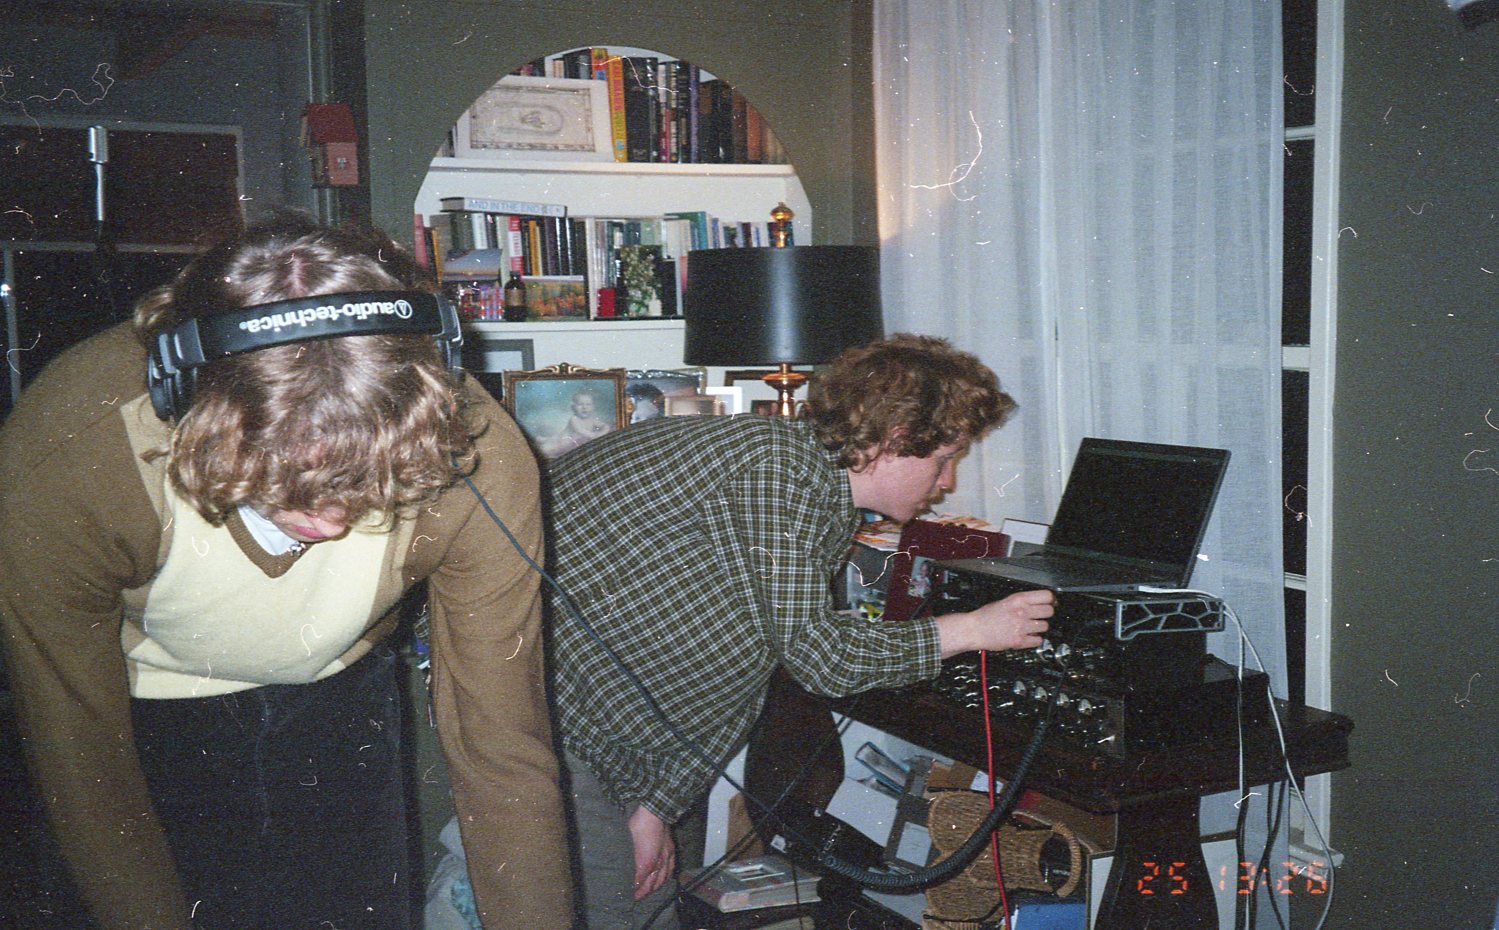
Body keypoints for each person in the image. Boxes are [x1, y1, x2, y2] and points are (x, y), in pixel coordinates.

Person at [0, 214, 572, 930]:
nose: (331, 524)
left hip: (342, 702)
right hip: (136, 719)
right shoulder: (66, 460)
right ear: (190, 408)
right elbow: (82, 765)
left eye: (365, 485)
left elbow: (503, 749)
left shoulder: (476, 455)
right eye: (287, 485)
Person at [544, 333, 1057, 929]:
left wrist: (658, 806)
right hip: (564, 728)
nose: (946, 482)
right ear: (893, 442)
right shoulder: (777, 471)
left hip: (618, 740)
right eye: (944, 459)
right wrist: (971, 629)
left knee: (648, 908)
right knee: (615, 912)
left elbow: (745, 670)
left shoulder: (815, 491)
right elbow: (821, 658)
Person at [540, 388, 614, 458]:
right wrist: (596, 435)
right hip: (564, 442)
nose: (584, 407)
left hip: (576, 444)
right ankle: (545, 439)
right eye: (580, 404)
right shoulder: (574, 419)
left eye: (588, 404)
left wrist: (604, 430)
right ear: (573, 407)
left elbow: (605, 426)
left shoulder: (592, 419)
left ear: (593, 407)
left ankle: (545, 439)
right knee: (546, 449)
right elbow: (584, 433)